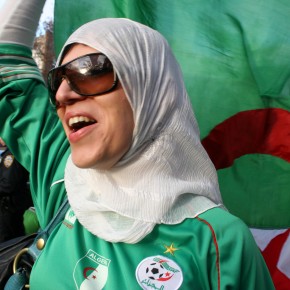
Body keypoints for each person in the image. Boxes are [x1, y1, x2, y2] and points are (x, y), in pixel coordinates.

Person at [0, 1, 275, 289]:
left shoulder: (220, 242)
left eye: (90, 71)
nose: (63, 95)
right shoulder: (64, 180)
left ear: (149, 89)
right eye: (57, 80)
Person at [0, 137, 32, 242]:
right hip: (11, 206)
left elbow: (8, 184)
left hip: (9, 206)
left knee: (7, 240)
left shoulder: (10, 155)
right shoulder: (13, 152)